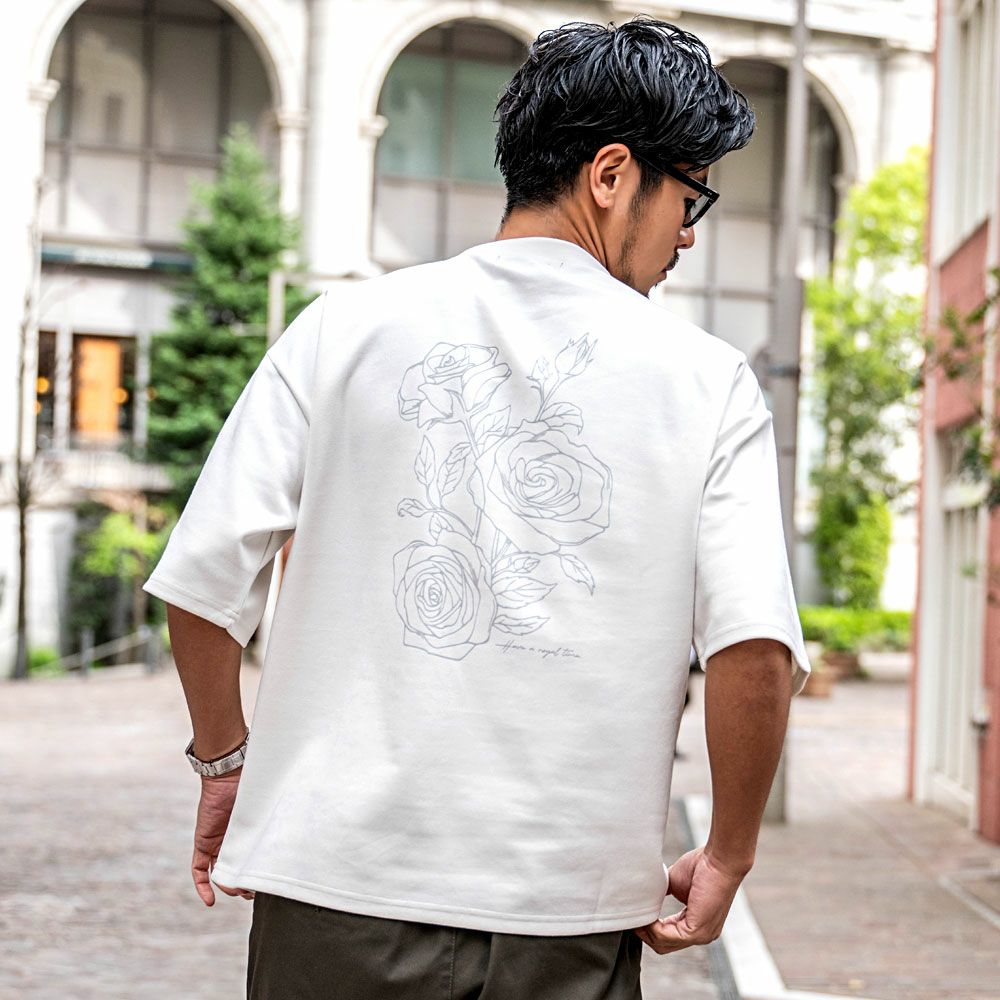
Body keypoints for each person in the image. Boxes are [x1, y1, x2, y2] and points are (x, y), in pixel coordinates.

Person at [144, 15, 812, 999]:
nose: (689, 232)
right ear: (612, 174)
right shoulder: (707, 382)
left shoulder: (341, 330)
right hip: (565, 914)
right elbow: (756, 655)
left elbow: (203, 584)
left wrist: (223, 762)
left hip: (331, 892)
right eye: (690, 194)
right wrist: (728, 853)